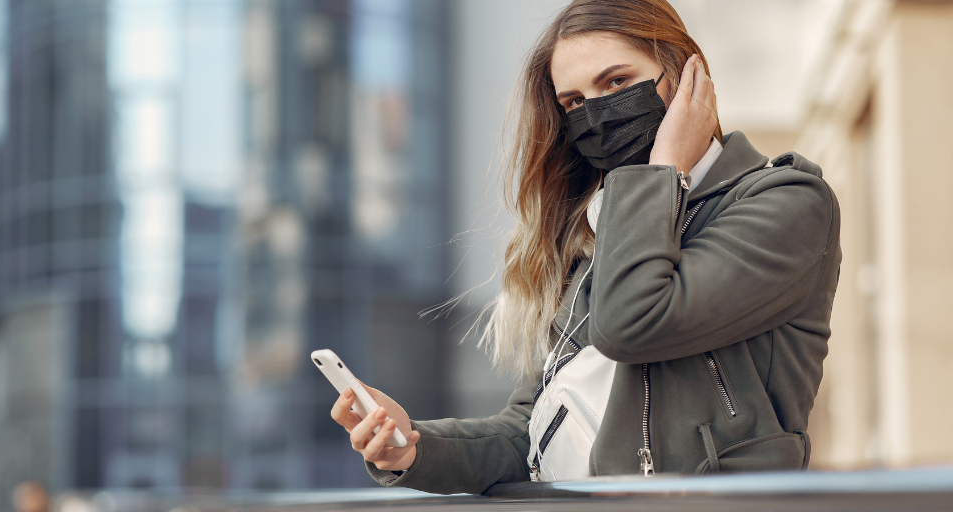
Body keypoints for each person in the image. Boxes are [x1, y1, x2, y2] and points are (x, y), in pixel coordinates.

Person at [331, 0, 841, 494]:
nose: (596, 114)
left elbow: (629, 324)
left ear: (688, 74)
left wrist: (660, 172)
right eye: (574, 102)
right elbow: (532, 432)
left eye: (617, 81)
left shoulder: (786, 203)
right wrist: (412, 448)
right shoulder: (598, 231)